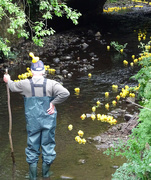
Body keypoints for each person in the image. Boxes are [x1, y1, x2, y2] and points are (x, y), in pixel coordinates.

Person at [3, 55, 70, 180]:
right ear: (44, 71)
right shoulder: (52, 84)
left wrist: (8, 79)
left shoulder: (24, 84)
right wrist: (53, 103)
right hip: (48, 121)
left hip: (33, 122)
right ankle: (45, 175)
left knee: (32, 147)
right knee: (48, 145)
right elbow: (65, 93)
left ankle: (32, 177)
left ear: (32, 71)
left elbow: (11, 87)